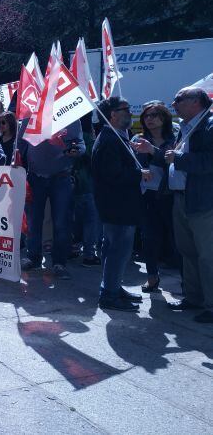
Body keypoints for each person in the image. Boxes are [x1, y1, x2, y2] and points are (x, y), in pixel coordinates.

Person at [92, 97, 148, 312]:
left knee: (113, 248)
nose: (130, 112)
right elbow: (112, 175)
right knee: (118, 250)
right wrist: (139, 174)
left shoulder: (116, 137)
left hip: (117, 205)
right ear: (113, 115)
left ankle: (112, 287)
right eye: (125, 109)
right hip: (118, 205)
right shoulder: (109, 139)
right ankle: (109, 294)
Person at [164, 87, 213, 323]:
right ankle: (194, 297)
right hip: (182, 199)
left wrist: (179, 159)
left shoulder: (209, 125)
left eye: (178, 99)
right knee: (188, 251)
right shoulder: (186, 126)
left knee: (207, 256)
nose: (173, 104)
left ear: (196, 102)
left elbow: (209, 161)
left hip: (204, 202)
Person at [19, 120, 85, 279]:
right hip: (35, 177)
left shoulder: (70, 116)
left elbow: (80, 144)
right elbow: (20, 144)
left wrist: (76, 150)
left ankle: (59, 263)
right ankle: (33, 257)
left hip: (61, 177)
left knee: (62, 223)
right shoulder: (31, 115)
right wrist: (17, 162)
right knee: (34, 221)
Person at [130, 102, 176, 293]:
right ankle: (152, 277)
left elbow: (174, 164)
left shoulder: (175, 138)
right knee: (149, 238)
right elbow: (132, 164)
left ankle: (186, 281)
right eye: (146, 116)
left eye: (155, 115)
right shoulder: (139, 138)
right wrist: (140, 169)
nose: (150, 119)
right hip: (147, 195)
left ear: (164, 117)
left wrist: (152, 151)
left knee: (175, 237)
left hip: (170, 194)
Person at [72, 115, 102, 267]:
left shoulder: (69, 137)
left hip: (72, 185)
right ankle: (89, 255)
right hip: (88, 185)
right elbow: (94, 162)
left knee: (75, 220)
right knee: (91, 221)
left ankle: (73, 247)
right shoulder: (89, 139)